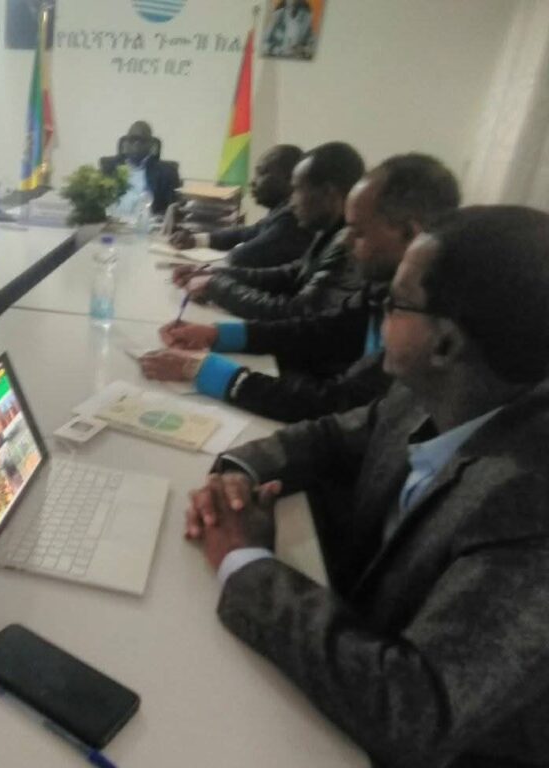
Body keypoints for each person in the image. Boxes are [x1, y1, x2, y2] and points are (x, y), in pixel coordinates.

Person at [188, 206, 549, 766]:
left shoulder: (530, 502)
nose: (379, 311)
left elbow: (411, 710)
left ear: (445, 345)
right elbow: (330, 437)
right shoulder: (425, 393)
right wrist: (240, 476)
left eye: (395, 303)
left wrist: (245, 561)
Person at [142, 155, 460, 422]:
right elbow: (321, 330)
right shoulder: (386, 290)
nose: (348, 242)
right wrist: (218, 335)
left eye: (359, 232)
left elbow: (340, 403)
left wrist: (213, 373)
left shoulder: (429, 322)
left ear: (409, 233)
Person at [186, 141, 365, 321]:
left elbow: (294, 314)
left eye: (297, 190)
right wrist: (216, 275)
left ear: (328, 193)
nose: (292, 202)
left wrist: (217, 288)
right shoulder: (329, 231)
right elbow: (291, 275)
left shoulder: (348, 245)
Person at [169, 144, 312, 269]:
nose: (252, 182)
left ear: (290, 178)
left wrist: (237, 249)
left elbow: (240, 258)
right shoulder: (279, 212)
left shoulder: (291, 219)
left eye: (262, 173)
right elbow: (246, 233)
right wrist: (196, 239)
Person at [99, 121, 181, 215]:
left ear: (151, 145)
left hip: (147, 222)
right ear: (125, 143)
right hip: (113, 220)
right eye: (132, 139)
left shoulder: (167, 173)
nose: (136, 144)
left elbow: (172, 210)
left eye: (142, 140)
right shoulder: (109, 167)